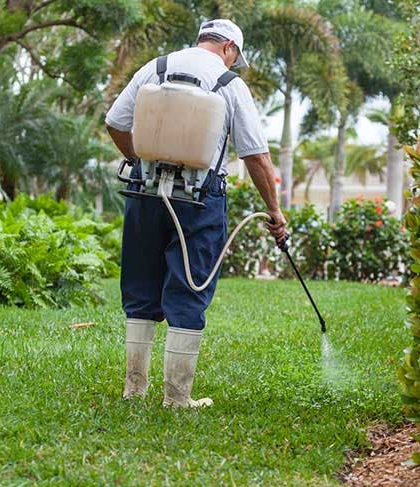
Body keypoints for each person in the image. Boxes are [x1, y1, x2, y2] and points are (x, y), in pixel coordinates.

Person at [105, 18, 287, 408]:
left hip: (145, 192)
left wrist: (139, 161)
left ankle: (134, 389)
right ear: (229, 49)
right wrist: (274, 211)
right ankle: (177, 398)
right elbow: (256, 155)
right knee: (191, 286)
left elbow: (116, 122)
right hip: (199, 200)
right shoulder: (229, 83)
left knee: (140, 286)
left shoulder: (154, 68)